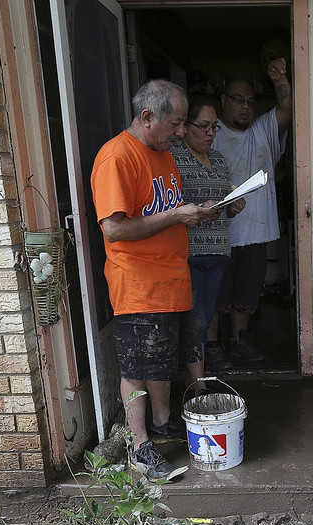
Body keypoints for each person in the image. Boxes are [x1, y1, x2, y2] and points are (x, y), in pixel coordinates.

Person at [91, 79, 216, 479]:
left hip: (172, 280)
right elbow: (114, 228)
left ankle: (163, 425)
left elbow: (163, 209)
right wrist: (177, 216)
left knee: (161, 363)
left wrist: (198, 212)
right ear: (148, 117)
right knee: (136, 368)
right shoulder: (117, 157)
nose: (182, 132)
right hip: (139, 285)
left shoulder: (161, 153)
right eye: (177, 123)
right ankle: (139, 445)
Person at [209, 57, 292, 365]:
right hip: (218, 232)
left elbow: (286, 108)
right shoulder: (209, 132)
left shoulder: (262, 130)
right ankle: (213, 346)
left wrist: (280, 80)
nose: (245, 107)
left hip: (256, 230)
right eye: (238, 100)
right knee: (217, 293)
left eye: (250, 102)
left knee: (247, 292)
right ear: (223, 101)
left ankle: (240, 340)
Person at [170, 94, 246, 388]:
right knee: (194, 321)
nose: (210, 134)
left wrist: (232, 206)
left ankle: (197, 382)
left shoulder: (218, 159)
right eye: (203, 126)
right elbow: (168, 205)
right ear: (185, 126)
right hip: (188, 252)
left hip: (217, 251)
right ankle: (197, 386)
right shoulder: (173, 157)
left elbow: (223, 206)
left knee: (204, 317)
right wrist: (200, 210)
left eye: (215, 127)